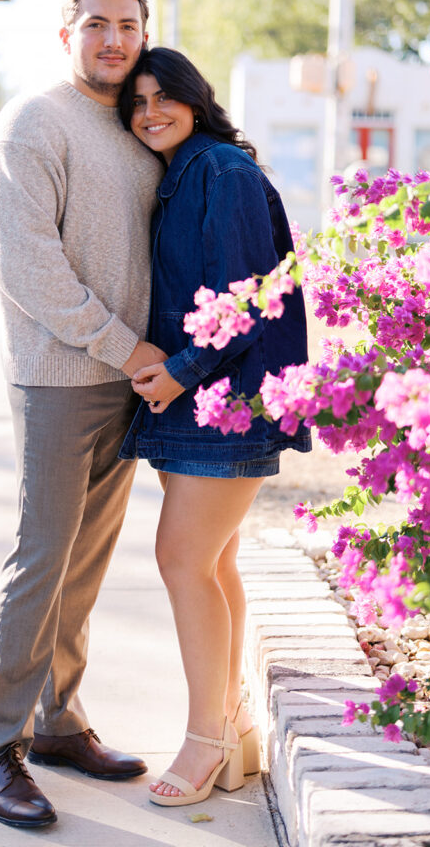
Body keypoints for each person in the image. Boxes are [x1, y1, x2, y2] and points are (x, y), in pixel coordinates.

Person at [0, 0, 167, 829]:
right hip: (58, 378)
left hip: (127, 381)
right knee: (42, 558)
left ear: (144, 34)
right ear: (66, 34)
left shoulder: (139, 126)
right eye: (96, 23)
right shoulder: (33, 123)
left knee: (84, 564)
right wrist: (128, 348)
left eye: (127, 25)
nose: (113, 39)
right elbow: (29, 269)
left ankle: (58, 723)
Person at [117, 47, 311, 807]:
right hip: (198, 402)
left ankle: (205, 737)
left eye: (163, 97)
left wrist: (180, 370)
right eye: (136, 103)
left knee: (181, 559)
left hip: (224, 400)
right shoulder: (184, 175)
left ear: (194, 100)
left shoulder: (221, 172)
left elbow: (247, 297)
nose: (150, 113)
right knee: (213, 562)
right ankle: (235, 730)